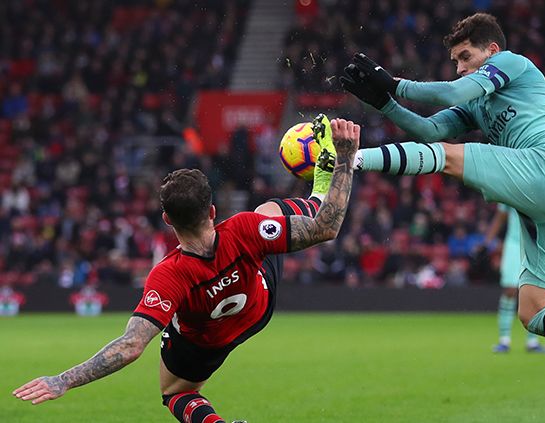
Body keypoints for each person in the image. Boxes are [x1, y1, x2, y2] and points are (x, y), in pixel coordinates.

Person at [341, 12, 545, 403]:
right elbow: (430, 128)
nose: (459, 67)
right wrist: (384, 102)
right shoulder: (478, 104)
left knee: (447, 158)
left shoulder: (511, 63)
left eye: (465, 57)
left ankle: (352, 160)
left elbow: (449, 95)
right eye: (454, 61)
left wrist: (396, 83)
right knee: (534, 312)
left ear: (492, 50)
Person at [13, 116, 360, 422]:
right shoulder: (243, 228)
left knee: (176, 394)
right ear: (212, 211)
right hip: (257, 306)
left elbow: (130, 347)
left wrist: (63, 381)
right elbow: (325, 228)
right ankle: (321, 178)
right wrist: (344, 159)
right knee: (270, 210)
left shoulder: (168, 275)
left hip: (204, 343)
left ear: (167, 220)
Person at [480, 204, 545, 353]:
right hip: (514, 244)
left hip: (535, 244)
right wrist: (487, 241)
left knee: (534, 291)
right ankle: (504, 340)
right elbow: (501, 216)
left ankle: (532, 341)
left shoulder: (539, 187)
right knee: (510, 290)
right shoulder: (511, 185)